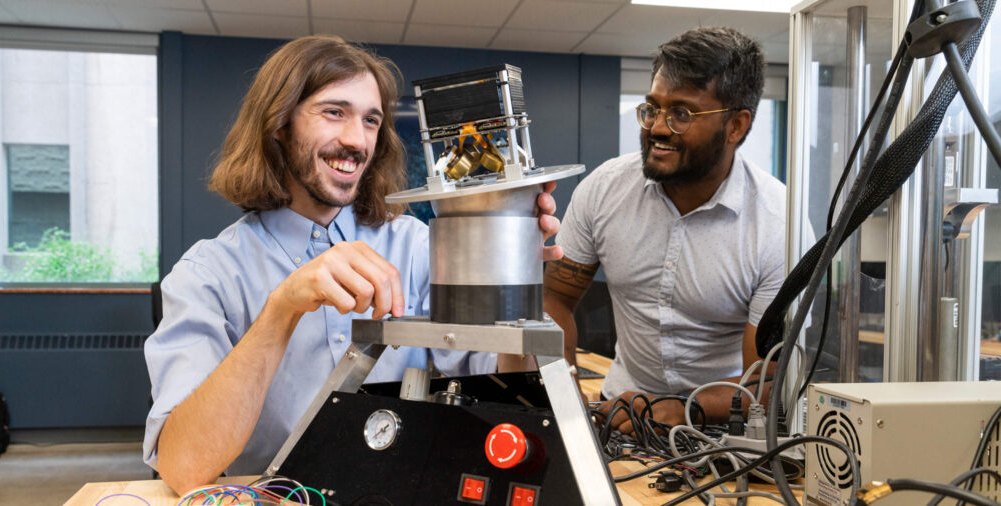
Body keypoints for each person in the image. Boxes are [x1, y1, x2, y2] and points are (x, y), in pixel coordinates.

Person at [143, 35, 560, 494]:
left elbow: (506, 388)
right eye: (333, 112)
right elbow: (183, 469)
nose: (356, 140)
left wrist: (512, 275)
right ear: (279, 124)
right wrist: (281, 309)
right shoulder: (208, 274)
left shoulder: (419, 247)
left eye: (371, 120)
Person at [544, 27, 785, 432]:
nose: (657, 127)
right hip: (619, 415)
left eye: (681, 114)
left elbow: (767, 380)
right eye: (652, 108)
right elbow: (555, 298)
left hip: (726, 429)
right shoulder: (606, 189)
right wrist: (564, 405)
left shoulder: (777, 223)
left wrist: (680, 408)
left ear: (736, 126)